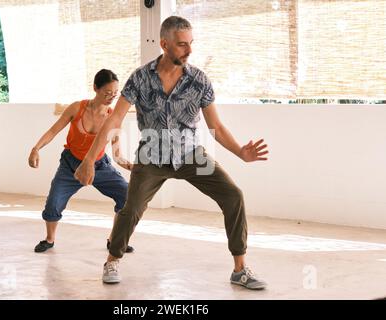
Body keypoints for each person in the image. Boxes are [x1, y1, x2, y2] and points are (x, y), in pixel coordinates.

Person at [74, 17, 269, 290]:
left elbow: (216, 126)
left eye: (191, 44)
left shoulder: (199, 81)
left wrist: (240, 152)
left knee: (233, 195)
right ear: (164, 44)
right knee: (131, 209)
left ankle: (239, 269)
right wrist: (88, 159)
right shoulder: (140, 79)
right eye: (181, 45)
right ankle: (112, 260)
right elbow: (114, 120)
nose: (189, 50)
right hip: (152, 156)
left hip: (191, 155)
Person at [28, 69, 135, 254]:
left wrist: (132, 166)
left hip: (100, 166)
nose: (111, 97)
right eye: (107, 93)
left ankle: (114, 240)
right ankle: (49, 239)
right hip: (70, 164)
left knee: (126, 196)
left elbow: (117, 155)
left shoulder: (113, 118)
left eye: (114, 94)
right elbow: (53, 131)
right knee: (53, 202)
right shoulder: (76, 108)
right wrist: (36, 148)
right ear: (95, 88)